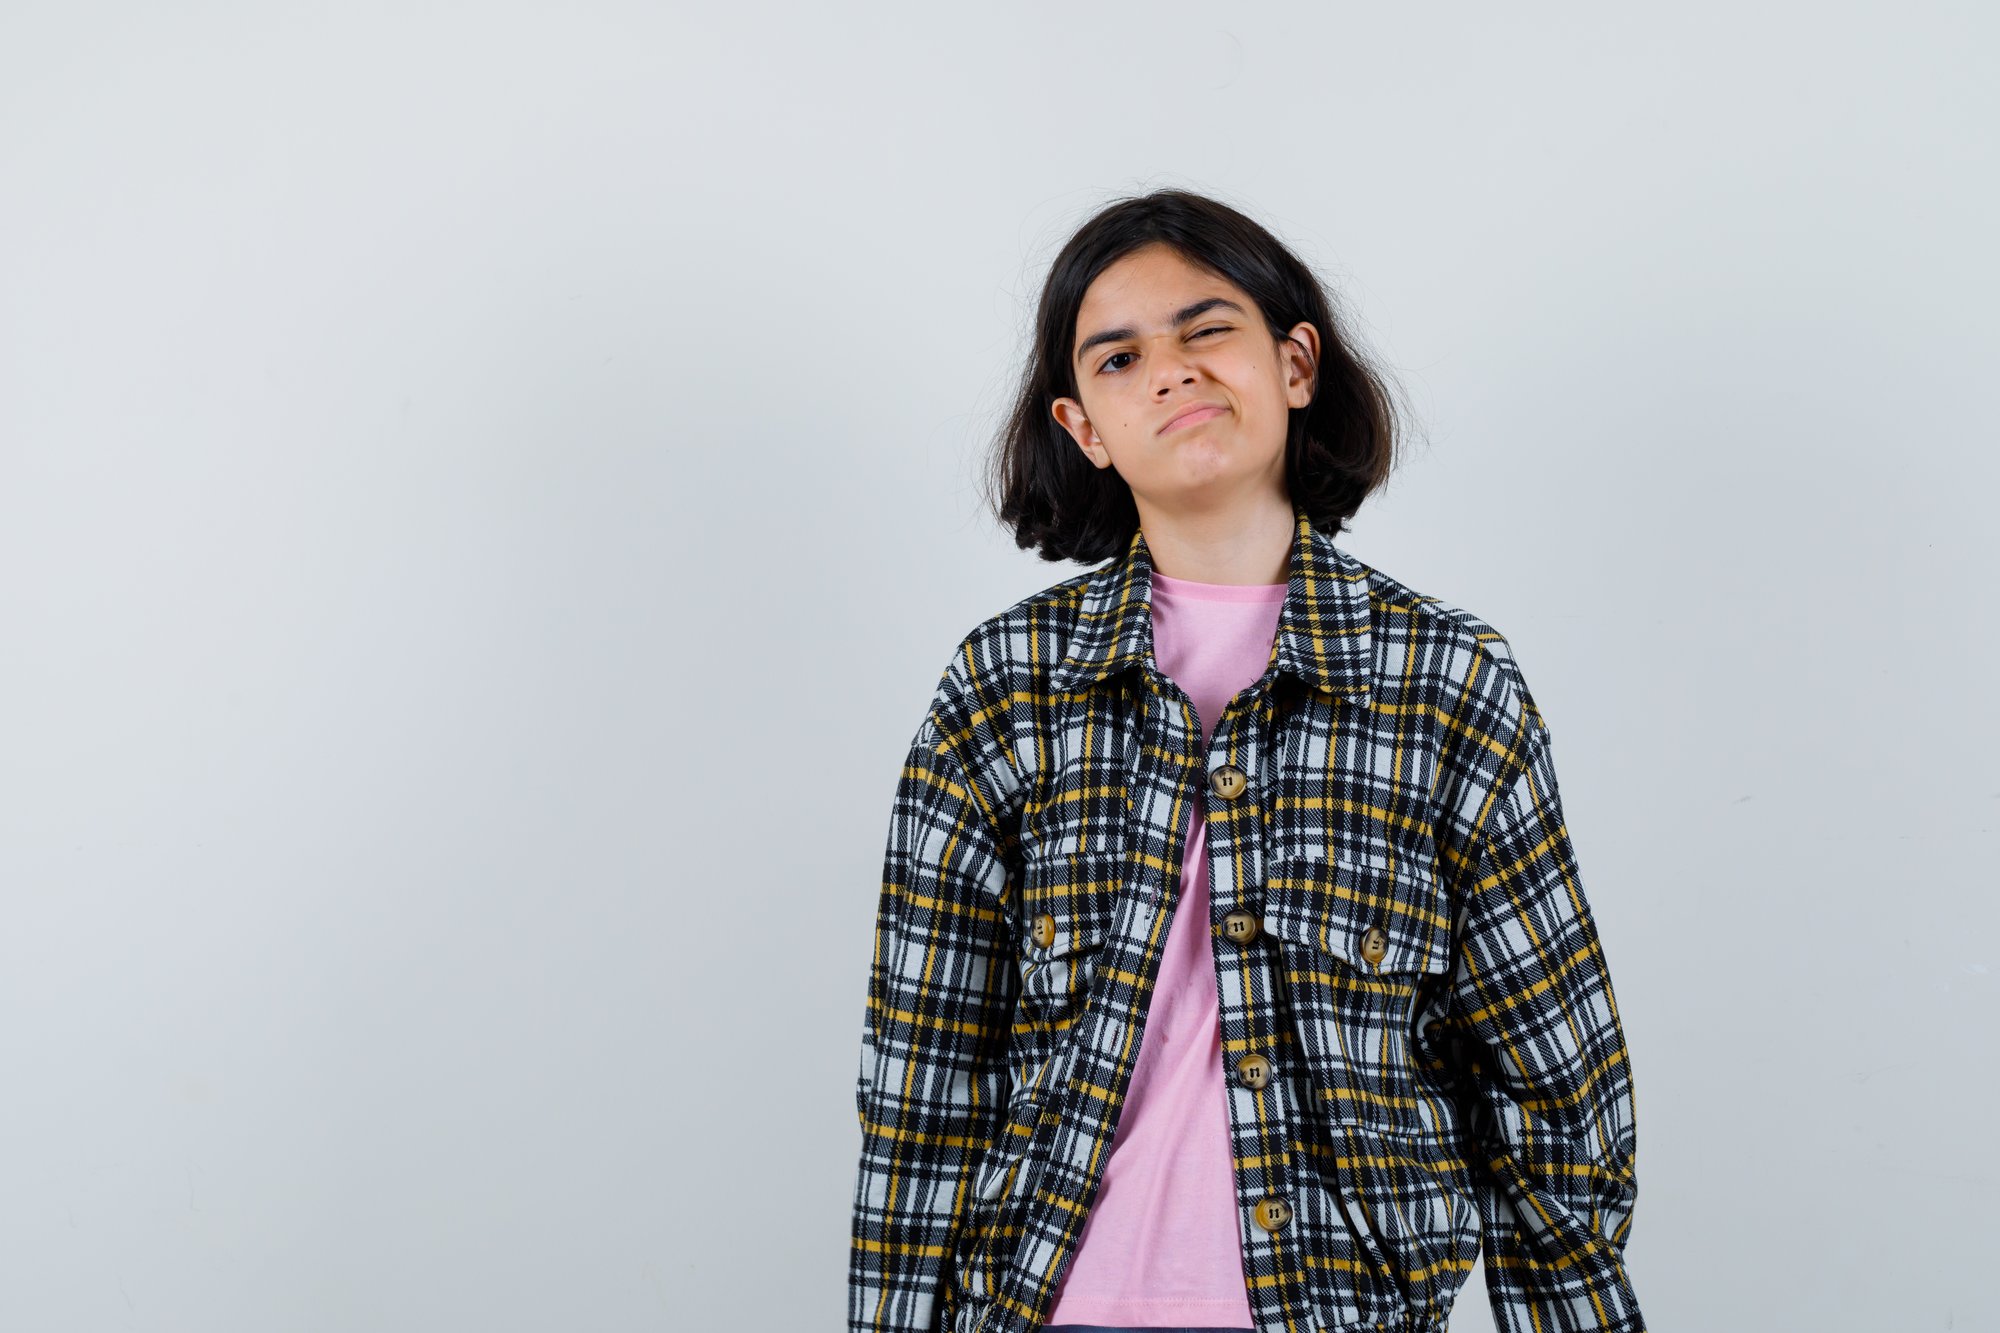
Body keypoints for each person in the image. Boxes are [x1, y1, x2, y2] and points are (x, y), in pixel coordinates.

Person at [848, 188, 1645, 1333]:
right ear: (1084, 428)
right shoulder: (1003, 686)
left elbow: (1551, 1089)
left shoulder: (1446, 683)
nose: (1168, 370)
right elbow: (920, 1084)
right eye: (1118, 358)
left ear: (1295, 362)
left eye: (1204, 327)